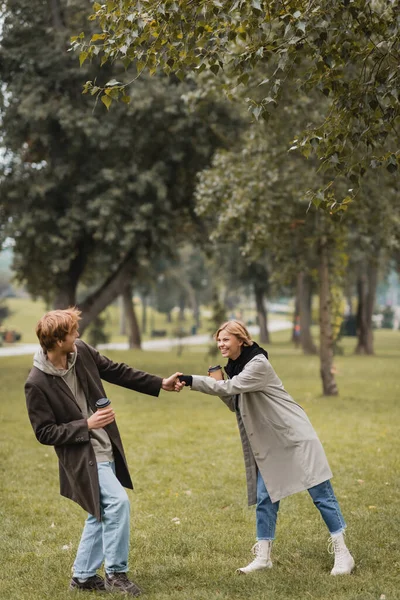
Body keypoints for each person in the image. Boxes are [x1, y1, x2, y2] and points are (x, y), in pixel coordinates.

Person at [25, 307, 183, 596]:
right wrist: (86, 424)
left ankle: (83, 577)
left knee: (101, 511)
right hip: (81, 456)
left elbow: (116, 371)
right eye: (73, 332)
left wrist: (159, 383)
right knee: (118, 503)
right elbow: (44, 432)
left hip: (105, 445)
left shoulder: (81, 351)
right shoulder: (36, 383)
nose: (79, 335)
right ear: (59, 341)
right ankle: (115, 573)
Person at [178, 320, 355, 576]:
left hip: (294, 437)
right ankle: (263, 558)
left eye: (226, 339)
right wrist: (219, 387)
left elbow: (232, 387)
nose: (221, 344)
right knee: (265, 498)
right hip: (271, 444)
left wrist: (190, 380)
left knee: (321, 493)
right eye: (218, 340)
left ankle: (343, 554)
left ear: (241, 339)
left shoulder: (258, 364)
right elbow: (236, 403)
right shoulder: (236, 368)